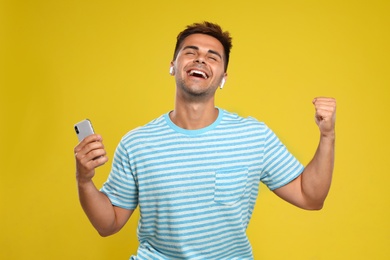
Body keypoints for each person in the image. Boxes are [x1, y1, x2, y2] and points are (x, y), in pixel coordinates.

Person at [74, 21, 336, 259]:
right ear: (172, 66)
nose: (200, 59)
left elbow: (309, 197)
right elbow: (108, 225)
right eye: (190, 52)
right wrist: (84, 181)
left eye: (213, 57)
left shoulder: (253, 136)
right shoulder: (137, 143)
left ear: (223, 78)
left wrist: (327, 136)